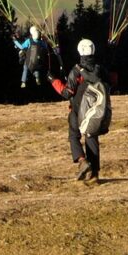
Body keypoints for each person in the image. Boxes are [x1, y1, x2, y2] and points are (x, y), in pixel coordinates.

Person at [51, 38, 110, 184]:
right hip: (94, 109)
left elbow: (67, 93)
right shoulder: (100, 69)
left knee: (74, 135)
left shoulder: (76, 70)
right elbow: (111, 83)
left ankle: (83, 162)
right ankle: (94, 174)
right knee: (91, 136)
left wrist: (53, 80)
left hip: (77, 108)